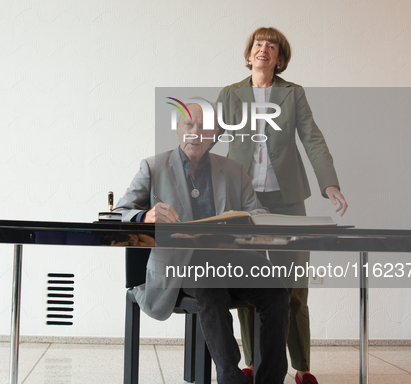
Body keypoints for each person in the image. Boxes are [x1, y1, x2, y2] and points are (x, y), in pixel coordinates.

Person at [114, 103, 290, 384]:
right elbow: (117, 213)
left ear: (216, 133)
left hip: (230, 259)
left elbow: (257, 212)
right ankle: (230, 377)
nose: (195, 133)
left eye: (204, 127)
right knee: (209, 281)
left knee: (276, 288)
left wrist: (251, 221)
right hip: (179, 266)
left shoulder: (234, 169)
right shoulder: (153, 167)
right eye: (188, 125)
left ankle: (269, 379)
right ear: (177, 129)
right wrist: (145, 215)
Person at [216, 27, 348, 384]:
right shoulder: (231, 94)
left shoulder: (293, 94)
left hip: (287, 200)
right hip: (243, 202)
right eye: (258, 44)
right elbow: (206, 136)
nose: (264, 49)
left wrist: (329, 182)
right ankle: (250, 362)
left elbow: (312, 138)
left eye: (271, 45)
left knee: (293, 287)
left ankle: (302, 367)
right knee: (245, 279)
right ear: (249, 54)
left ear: (280, 57)